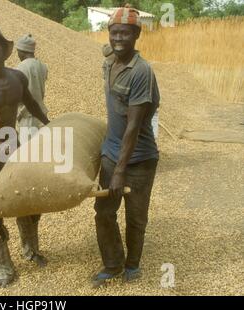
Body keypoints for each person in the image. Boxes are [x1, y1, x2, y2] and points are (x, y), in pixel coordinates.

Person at [0, 26, 50, 287]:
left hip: (13, 145)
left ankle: (30, 250)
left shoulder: (18, 78)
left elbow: (32, 103)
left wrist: (49, 125)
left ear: (5, 50)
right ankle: (3, 267)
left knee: (25, 202)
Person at [92, 5, 160, 287]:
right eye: (113, 32)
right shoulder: (110, 60)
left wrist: (120, 171)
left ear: (137, 34)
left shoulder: (141, 72)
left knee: (136, 217)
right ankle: (112, 264)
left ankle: (132, 265)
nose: (118, 38)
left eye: (125, 33)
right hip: (110, 154)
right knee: (104, 213)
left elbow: (133, 126)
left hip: (139, 160)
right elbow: (108, 51)